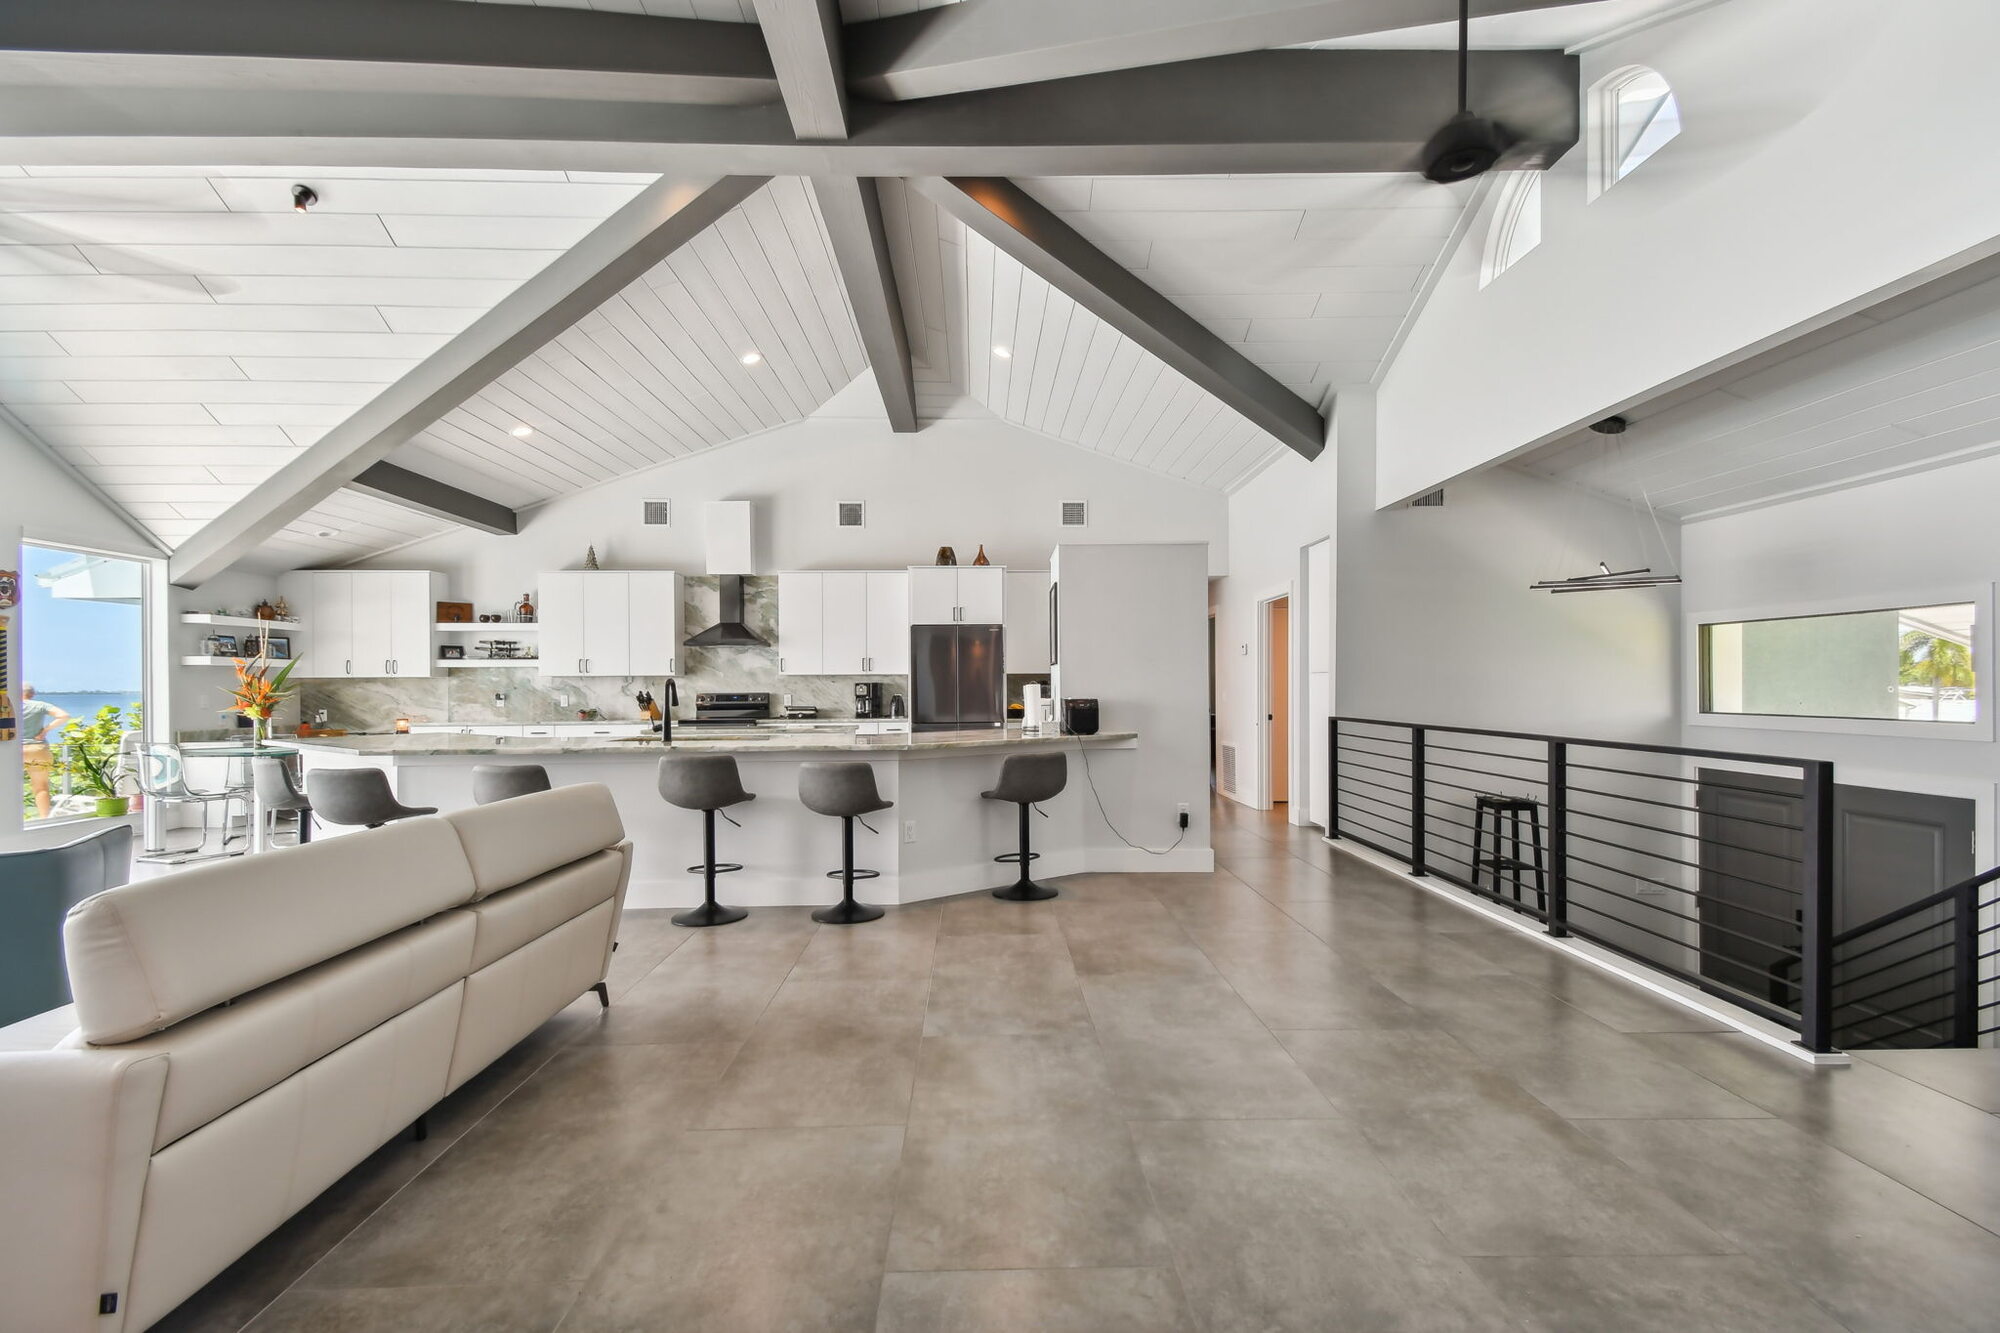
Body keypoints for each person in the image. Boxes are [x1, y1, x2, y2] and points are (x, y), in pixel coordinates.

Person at [20, 685, 70, 820]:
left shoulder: (7, 705)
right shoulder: (40, 705)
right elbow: (64, 716)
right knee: (41, 787)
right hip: (37, 749)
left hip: (12, 749)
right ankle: (44, 819)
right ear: (32, 694)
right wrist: (45, 731)